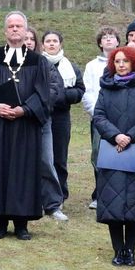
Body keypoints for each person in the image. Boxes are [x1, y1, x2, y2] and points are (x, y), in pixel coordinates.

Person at [0, 11, 53, 240]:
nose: (15, 29)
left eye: (19, 26)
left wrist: (25, 109)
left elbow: (44, 94)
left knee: (23, 170)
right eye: (11, 26)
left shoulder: (38, 62)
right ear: (5, 30)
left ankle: (21, 223)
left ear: (26, 30)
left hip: (25, 125)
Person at [93, 46, 135, 267]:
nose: (121, 65)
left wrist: (129, 136)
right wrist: (115, 135)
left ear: (134, 63)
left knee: (134, 204)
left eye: (125, 61)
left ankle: (130, 250)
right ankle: (117, 249)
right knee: (112, 202)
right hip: (112, 150)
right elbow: (99, 116)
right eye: (118, 61)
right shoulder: (106, 88)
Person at [24, 27, 67, 221]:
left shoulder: (44, 64)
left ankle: (52, 205)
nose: (28, 42)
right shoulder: (8, 62)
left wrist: (31, 107)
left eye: (31, 39)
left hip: (41, 120)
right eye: (25, 39)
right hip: (16, 120)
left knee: (46, 161)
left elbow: (54, 89)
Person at [42, 30, 84, 201]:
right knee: (43, 157)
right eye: (48, 41)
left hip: (61, 117)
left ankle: (60, 195)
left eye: (55, 41)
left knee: (59, 157)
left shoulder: (71, 67)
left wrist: (61, 97)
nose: (51, 44)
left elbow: (80, 90)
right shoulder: (38, 64)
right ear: (42, 44)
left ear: (60, 44)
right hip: (42, 116)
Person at [82, 27, 120, 209]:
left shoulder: (124, 63)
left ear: (118, 41)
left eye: (111, 37)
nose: (108, 40)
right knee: (98, 155)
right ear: (100, 43)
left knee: (118, 155)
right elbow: (87, 92)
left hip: (120, 119)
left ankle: (115, 193)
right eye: (104, 38)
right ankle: (99, 194)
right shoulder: (91, 66)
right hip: (98, 119)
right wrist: (97, 114)